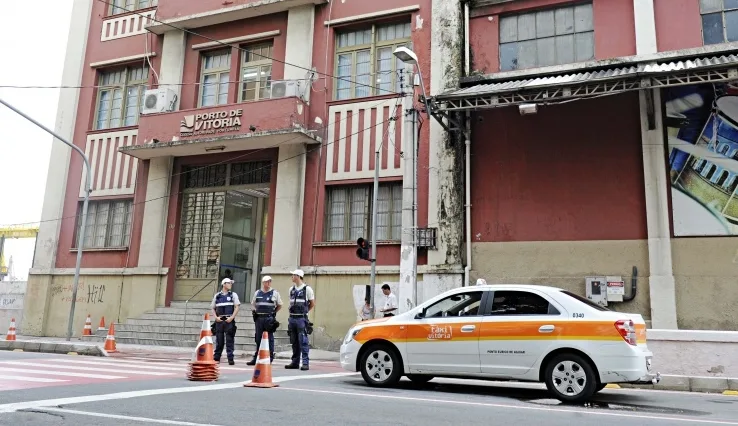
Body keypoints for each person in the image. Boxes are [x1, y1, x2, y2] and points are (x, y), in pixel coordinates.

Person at [247, 275, 282, 365]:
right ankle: (256, 357)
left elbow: (279, 305)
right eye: (267, 281)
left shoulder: (275, 293)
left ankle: (269, 357)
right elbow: (253, 304)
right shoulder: (257, 293)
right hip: (259, 318)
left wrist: (274, 313)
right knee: (258, 338)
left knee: (269, 338)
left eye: (270, 281)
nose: (269, 283)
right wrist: (255, 311)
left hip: (269, 318)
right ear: (263, 283)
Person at [285, 269, 315, 371]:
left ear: (298, 276)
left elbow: (312, 304)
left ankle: (305, 363)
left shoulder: (308, 289)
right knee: (294, 341)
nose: (292, 277)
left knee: (303, 341)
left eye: (293, 275)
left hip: (301, 318)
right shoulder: (291, 289)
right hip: (292, 318)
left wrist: (305, 312)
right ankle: (295, 362)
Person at [210, 277, 240, 365]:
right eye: (229, 283)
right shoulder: (217, 296)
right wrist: (216, 317)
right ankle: (216, 358)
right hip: (219, 321)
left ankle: (230, 358)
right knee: (219, 341)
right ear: (224, 284)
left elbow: (237, 307)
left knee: (230, 340)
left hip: (229, 320)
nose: (230, 284)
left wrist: (232, 318)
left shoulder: (233, 295)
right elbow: (212, 307)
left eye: (231, 283)